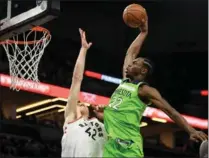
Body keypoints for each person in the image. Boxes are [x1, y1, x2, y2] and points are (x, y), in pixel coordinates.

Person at [94, 18, 208, 158]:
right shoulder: (125, 82)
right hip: (111, 145)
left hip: (128, 146)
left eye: (135, 63)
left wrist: (191, 131)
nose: (130, 64)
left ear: (143, 71)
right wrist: (143, 32)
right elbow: (130, 53)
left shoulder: (144, 90)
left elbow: (170, 111)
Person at [61, 28, 106, 157]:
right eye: (78, 102)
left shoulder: (101, 125)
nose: (80, 103)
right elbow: (76, 79)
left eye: (81, 102)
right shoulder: (71, 118)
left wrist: (107, 116)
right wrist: (83, 50)